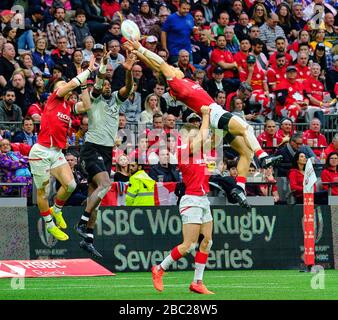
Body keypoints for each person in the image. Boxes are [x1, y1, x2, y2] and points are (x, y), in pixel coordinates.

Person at [126, 39, 283, 192]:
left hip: (214, 114)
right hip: (214, 112)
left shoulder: (184, 80)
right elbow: (160, 63)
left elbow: (156, 66)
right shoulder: (175, 82)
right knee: (246, 128)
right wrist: (140, 48)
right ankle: (263, 156)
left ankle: (239, 189)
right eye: (174, 68)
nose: (177, 69)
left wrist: (138, 53)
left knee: (246, 153)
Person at [74, 48, 136, 258]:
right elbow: (99, 82)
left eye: (111, 84)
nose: (108, 87)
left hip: (107, 151)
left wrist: (127, 70)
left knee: (96, 195)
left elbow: (128, 88)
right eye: (106, 85)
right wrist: (102, 66)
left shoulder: (115, 101)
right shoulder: (95, 98)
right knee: (105, 185)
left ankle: (88, 238)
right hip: (92, 148)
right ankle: (82, 223)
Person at [28, 55, 97, 241]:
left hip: (56, 152)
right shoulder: (53, 99)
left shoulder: (69, 106)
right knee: (44, 192)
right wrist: (88, 71)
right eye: (61, 84)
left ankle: (57, 210)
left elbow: (88, 105)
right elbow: (70, 84)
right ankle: (49, 225)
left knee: (71, 185)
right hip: (41, 151)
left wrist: (83, 86)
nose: (64, 86)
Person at [151, 105, 214, 295]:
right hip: (191, 200)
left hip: (203, 199)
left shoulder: (201, 151)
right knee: (188, 245)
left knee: (207, 242)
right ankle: (159, 269)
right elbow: (204, 135)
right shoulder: (183, 150)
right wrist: (205, 115)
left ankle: (197, 282)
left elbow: (209, 139)